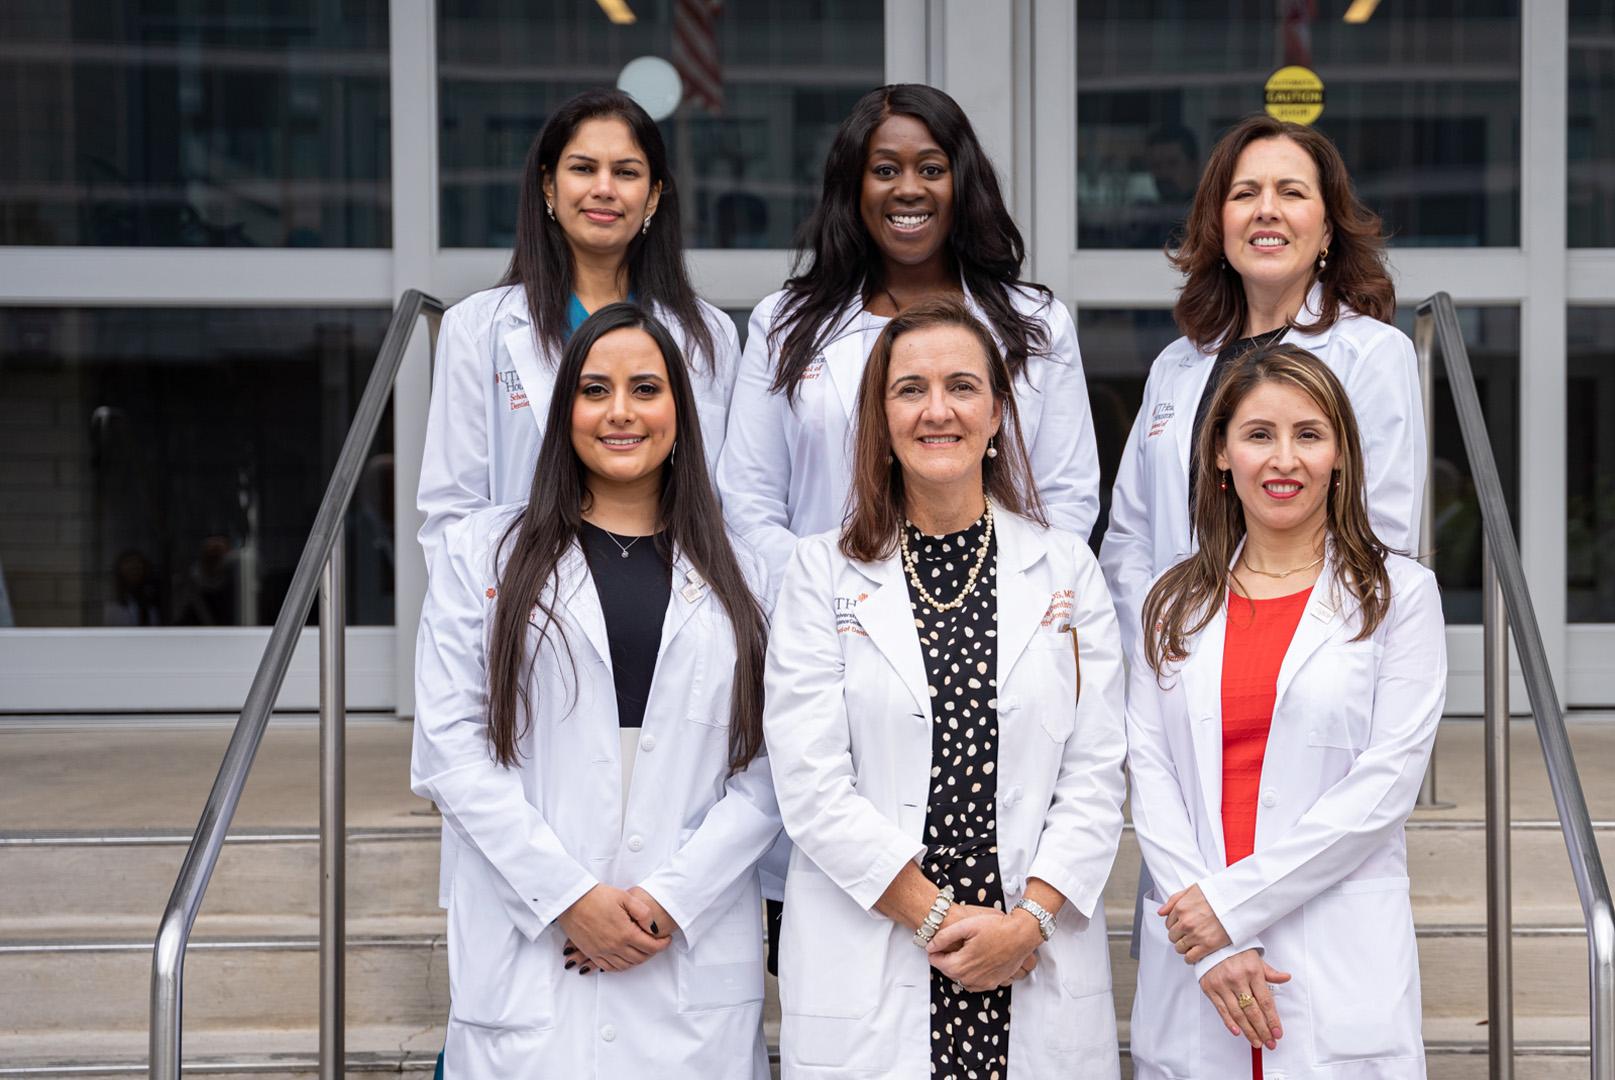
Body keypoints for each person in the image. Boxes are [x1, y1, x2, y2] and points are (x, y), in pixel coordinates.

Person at [412, 304, 781, 1079]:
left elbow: (774, 771)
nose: (621, 412)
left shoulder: (752, 573)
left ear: (680, 411)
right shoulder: (482, 552)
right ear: (563, 411)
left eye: (645, 389)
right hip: (530, 960)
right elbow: (449, 752)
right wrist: (569, 896)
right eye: (594, 390)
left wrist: (666, 900)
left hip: (686, 962)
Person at [761, 298, 1127, 1078]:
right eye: (909, 389)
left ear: (997, 412)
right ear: (880, 417)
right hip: (886, 933)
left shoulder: (1066, 569)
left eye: (963, 387)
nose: (938, 411)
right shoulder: (818, 572)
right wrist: (937, 919)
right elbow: (810, 783)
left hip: (1024, 950)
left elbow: (1095, 772)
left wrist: (1025, 924)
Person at [1125, 343, 1445, 1080]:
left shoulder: (1398, 597)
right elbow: (1150, 773)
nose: (1284, 460)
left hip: (1331, 962)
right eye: (1259, 434)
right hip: (1199, 962)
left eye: (1309, 434)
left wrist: (1227, 912)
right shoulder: (1170, 603)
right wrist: (1214, 938)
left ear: (1340, 456)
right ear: (1219, 454)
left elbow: (1385, 787)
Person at [718, 82, 1100, 596]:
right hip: (826, 621)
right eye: (884, 170)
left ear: (962, 183)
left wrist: (990, 601)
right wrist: (829, 595)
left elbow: (1065, 496)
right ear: (853, 187)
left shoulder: (1033, 322)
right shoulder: (785, 324)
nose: (909, 188)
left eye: (931, 168)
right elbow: (749, 499)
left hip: (994, 615)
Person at [1101, 115, 1427, 656]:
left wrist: (1289, 652)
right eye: (1245, 193)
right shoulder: (1175, 365)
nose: (1266, 208)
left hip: (1308, 660)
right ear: (1220, 224)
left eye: (1292, 192)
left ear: (1326, 230)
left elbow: (1381, 536)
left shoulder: (1371, 353)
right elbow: (1130, 536)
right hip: (1172, 662)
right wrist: (1155, 637)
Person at [419, 87, 739, 564]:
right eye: (583, 169)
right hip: (526, 606)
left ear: (653, 196)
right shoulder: (477, 328)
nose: (604, 188)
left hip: (671, 600)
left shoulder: (707, 335)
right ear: (548, 186)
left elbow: (724, 500)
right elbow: (453, 512)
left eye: (626, 172)